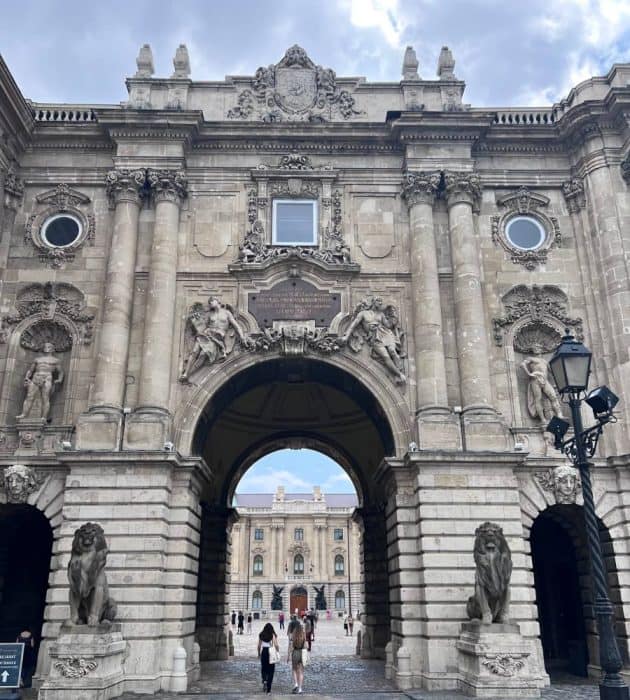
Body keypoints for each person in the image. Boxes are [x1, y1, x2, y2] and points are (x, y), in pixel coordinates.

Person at [16, 342, 64, 422]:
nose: (46, 348)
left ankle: (44, 417)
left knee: (45, 398)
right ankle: (24, 414)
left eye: (48, 346)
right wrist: (26, 377)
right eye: (45, 346)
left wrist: (59, 379)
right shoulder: (37, 359)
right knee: (29, 396)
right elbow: (30, 370)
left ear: (52, 349)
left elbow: (61, 372)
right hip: (36, 376)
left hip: (47, 377)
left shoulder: (55, 360)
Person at [257, 622, 279, 694]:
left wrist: (259, 654)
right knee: (271, 670)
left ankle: (264, 680)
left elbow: (259, 646)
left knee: (264, 668)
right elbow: (276, 645)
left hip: (264, 652)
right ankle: (269, 688)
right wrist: (277, 652)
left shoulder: (261, 635)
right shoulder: (272, 635)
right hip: (271, 652)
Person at [288, 619, 306, 694]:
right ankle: (300, 688)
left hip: (295, 652)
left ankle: (295, 684)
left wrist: (288, 655)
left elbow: (291, 647)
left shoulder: (293, 635)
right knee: (301, 671)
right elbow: (306, 646)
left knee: (294, 669)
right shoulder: (303, 635)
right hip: (301, 652)